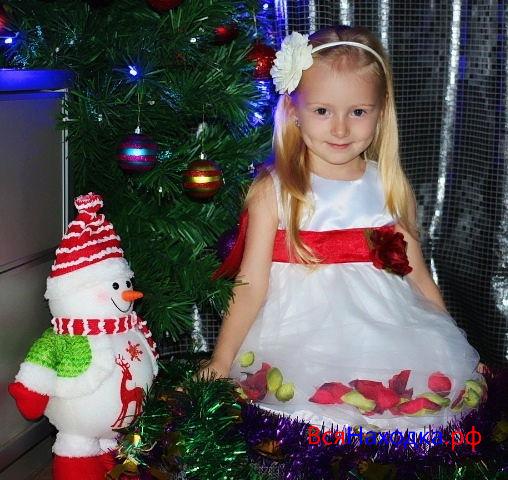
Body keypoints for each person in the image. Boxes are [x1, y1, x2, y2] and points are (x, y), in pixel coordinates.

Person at [199, 25, 487, 433]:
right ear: (293, 111)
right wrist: (221, 359)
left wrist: (450, 344)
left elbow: (419, 278)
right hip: (297, 339)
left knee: (390, 429)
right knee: (308, 427)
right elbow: (251, 284)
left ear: (380, 112)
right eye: (322, 111)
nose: (340, 129)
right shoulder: (274, 191)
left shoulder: (387, 186)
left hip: (384, 336)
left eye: (357, 112)